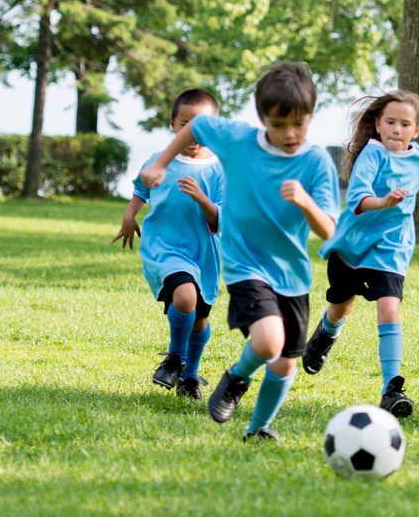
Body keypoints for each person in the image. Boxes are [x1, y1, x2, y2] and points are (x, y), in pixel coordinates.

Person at [141, 61, 340, 441]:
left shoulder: (315, 163)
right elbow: (195, 127)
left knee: (283, 365)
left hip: (292, 275)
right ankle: (235, 378)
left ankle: (258, 428)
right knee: (268, 342)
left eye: (299, 124)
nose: (290, 134)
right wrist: (161, 164)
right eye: (279, 125)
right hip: (245, 264)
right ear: (263, 117)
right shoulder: (239, 141)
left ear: (310, 117)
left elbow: (328, 229)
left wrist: (305, 203)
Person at [301, 91, 419, 418]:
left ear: (417, 129)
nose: (397, 129)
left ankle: (391, 389)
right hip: (354, 243)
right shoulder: (371, 156)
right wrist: (384, 201)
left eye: (405, 124)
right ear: (377, 124)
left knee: (389, 308)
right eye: (390, 122)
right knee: (341, 305)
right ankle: (324, 336)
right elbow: (360, 199)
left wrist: (392, 208)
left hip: (392, 247)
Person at [114, 89, 225, 400]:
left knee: (201, 318)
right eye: (185, 124)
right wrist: (129, 214)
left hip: (203, 253)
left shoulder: (219, 170)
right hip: (166, 249)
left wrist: (201, 199)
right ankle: (175, 358)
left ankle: (189, 376)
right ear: (174, 125)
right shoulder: (159, 160)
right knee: (185, 296)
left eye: (201, 126)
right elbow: (141, 189)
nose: (193, 133)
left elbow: (220, 219)